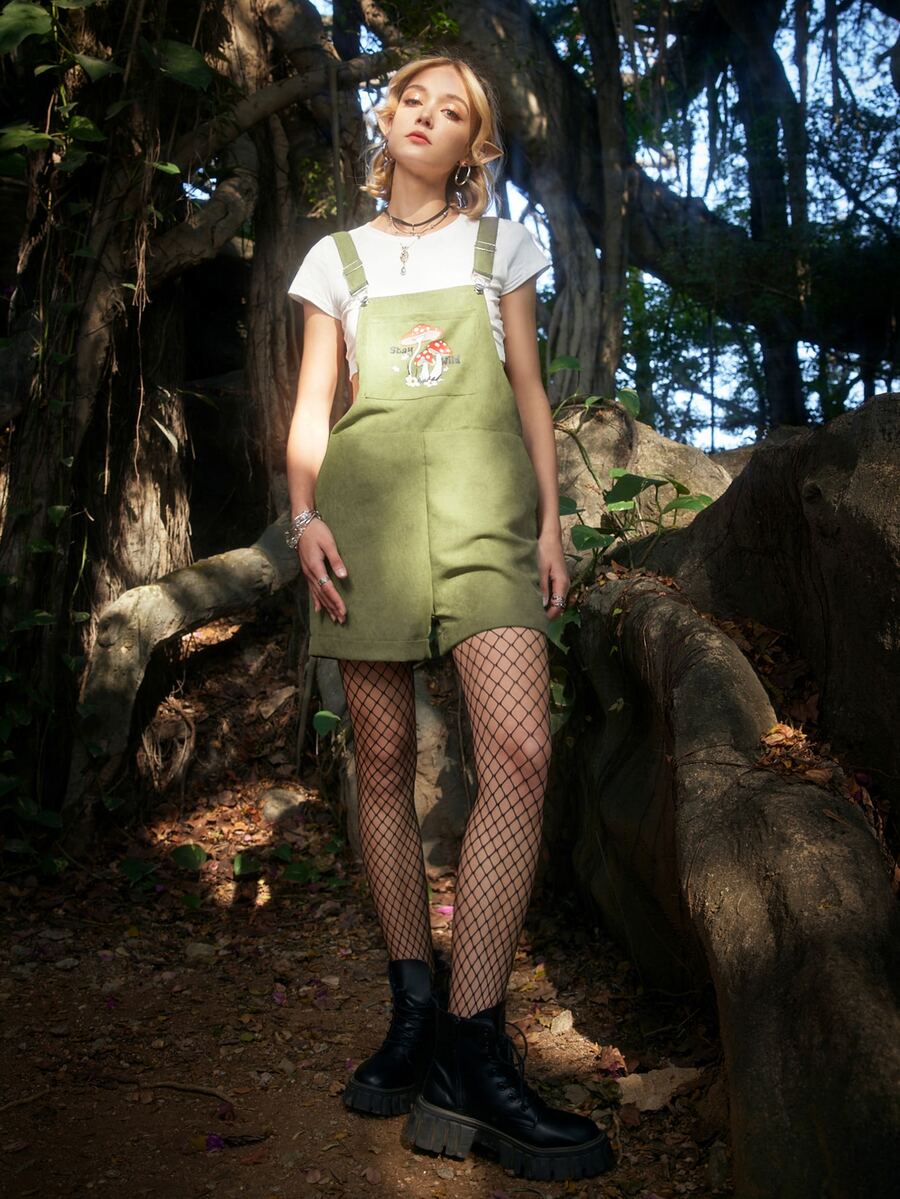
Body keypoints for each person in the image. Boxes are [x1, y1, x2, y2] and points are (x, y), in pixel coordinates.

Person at [285, 53, 614, 1182]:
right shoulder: (335, 260)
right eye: (413, 100)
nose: (428, 117)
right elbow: (314, 406)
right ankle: (415, 1013)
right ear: (386, 118)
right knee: (381, 762)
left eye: (455, 110)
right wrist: (303, 516)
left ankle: (474, 1048)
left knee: (518, 747)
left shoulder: (501, 246)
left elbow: (528, 387)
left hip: (484, 515)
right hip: (367, 517)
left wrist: (553, 522)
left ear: (477, 143)